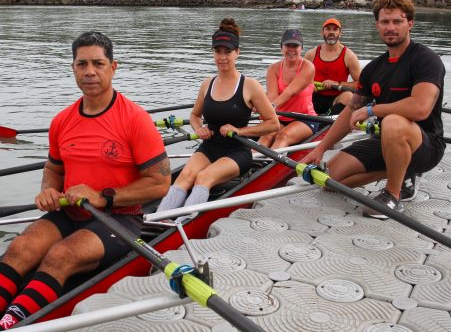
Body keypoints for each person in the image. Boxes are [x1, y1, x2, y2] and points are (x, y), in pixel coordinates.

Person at [0, 32, 170, 332]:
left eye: (98, 64)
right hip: (70, 212)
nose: (90, 71)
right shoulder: (62, 121)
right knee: (20, 248)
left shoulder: (136, 120)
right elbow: (54, 170)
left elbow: (160, 183)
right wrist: (47, 190)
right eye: (82, 64)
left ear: (113, 67)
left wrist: (105, 196)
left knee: (60, 255)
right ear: (72, 68)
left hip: (118, 219)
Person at [303, 0, 445, 219]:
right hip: (386, 140)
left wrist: (372, 110)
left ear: (410, 24)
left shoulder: (426, 60)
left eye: (397, 21)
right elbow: (350, 111)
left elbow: (420, 108)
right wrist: (320, 149)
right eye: (385, 22)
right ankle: (404, 171)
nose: (391, 27)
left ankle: (393, 195)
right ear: (377, 25)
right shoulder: (372, 69)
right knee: (331, 180)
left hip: (425, 144)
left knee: (393, 120)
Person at [155, 18, 278, 218]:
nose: (222, 57)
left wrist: (240, 131)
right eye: (217, 51)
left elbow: (273, 124)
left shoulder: (250, 85)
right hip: (210, 147)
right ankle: (158, 220)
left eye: (227, 52)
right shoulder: (207, 84)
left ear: (237, 53)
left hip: (237, 150)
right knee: (185, 176)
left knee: (203, 177)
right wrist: (198, 128)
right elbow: (195, 115)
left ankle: (182, 226)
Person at [259, 29, 320, 150]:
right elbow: (272, 95)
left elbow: (290, 92)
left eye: (295, 46)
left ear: (301, 48)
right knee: (266, 136)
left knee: (283, 135)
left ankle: (270, 166)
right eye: (288, 45)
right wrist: (261, 107)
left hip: (305, 118)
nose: (291, 50)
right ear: (281, 47)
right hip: (279, 116)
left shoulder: (308, 67)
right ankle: (250, 165)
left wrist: (269, 107)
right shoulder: (273, 69)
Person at [305, 18, 362, 116]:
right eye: (328, 29)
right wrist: (309, 84)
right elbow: (300, 78)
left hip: (335, 99)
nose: (331, 32)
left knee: (348, 96)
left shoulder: (349, 56)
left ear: (340, 33)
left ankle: (326, 120)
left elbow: (360, 84)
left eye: (335, 29)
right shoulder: (311, 54)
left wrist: (336, 83)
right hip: (313, 97)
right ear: (322, 32)